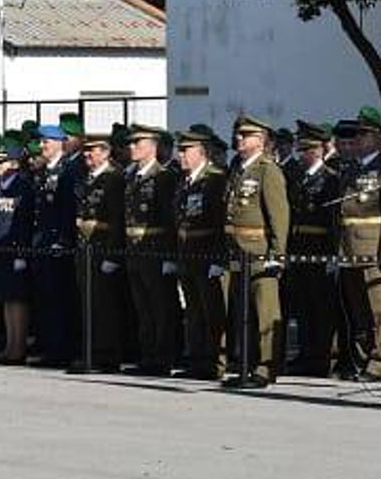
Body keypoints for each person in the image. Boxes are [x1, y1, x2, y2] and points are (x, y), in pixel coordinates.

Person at [221, 115, 290, 388]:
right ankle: (247, 365)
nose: (239, 139)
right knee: (243, 314)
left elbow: (278, 216)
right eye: (239, 134)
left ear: (260, 141)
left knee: (264, 312)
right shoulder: (239, 168)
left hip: (260, 252)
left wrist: (278, 254)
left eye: (245, 135)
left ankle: (265, 367)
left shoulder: (267, 170)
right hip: (238, 253)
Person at [336, 107, 381, 382]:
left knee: (380, 312)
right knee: (359, 312)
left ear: (379, 138)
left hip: (375, 251)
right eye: (358, 134)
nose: (359, 139)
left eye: (365, 134)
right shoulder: (351, 169)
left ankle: (380, 363)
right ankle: (364, 361)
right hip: (350, 251)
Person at [284, 121, 340, 377]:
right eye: (300, 150)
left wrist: (333, 254)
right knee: (304, 307)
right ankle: (306, 356)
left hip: (320, 252)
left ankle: (321, 358)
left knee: (321, 309)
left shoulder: (330, 179)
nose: (301, 155)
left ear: (317, 151)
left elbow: (333, 221)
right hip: (299, 253)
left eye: (305, 151)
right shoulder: (299, 178)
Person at [122, 124, 179, 376]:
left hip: (155, 250)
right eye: (131, 143)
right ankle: (148, 355)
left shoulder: (163, 177)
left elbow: (169, 221)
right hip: (135, 250)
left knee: (160, 307)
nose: (132, 147)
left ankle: (162, 357)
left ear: (153, 147)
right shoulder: (131, 175)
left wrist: (169, 256)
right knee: (142, 308)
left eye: (138, 143)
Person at [173, 126, 228, 379]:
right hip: (187, 255)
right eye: (180, 150)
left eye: (186, 150)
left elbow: (220, 223)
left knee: (211, 312)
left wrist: (219, 258)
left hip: (207, 255)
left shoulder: (215, 180)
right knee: (193, 312)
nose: (180, 155)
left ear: (202, 152)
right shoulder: (186, 180)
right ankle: (196, 360)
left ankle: (215, 362)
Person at [72, 134, 127, 373]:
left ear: (105, 153)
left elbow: (116, 220)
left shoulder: (113, 180)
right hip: (86, 248)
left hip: (102, 247)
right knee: (88, 303)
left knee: (104, 306)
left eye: (93, 151)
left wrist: (112, 255)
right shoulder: (90, 178)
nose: (87, 155)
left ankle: (106, 355)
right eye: (85, 151)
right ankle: (91, 351)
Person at [30, 123, 80, 367]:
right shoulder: (44, 171)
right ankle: (50, 347)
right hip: (42, 241)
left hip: (56, 243)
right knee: (44, 298)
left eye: (46, 141)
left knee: (58, 299)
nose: (42, 146)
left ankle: (60, 350)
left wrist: (64, 239)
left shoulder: (67, 170)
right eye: (41, 142)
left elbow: (67, 209)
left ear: (60, 142)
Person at [0, 143, 35, 364]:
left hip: (14, 250)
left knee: (17, 300)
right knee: (5, 298)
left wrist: (22, 254)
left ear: (14, 163)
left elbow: (23, 222)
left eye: (2, 162)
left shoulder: (22, 187)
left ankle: (18, 347)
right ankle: (9, 345)